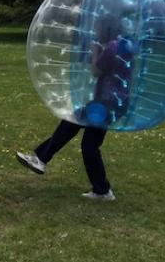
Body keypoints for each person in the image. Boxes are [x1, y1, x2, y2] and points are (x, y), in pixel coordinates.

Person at [16, 27, 134, 201]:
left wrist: (95, 52)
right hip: (116, 102)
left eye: (101, 26)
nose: (97, 31)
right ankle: (102, 190)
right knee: (86, 140)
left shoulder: (113, 46)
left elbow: (96, 71)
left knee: (74, 124)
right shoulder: (126, 45)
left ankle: (41, 159)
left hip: (106, 103)